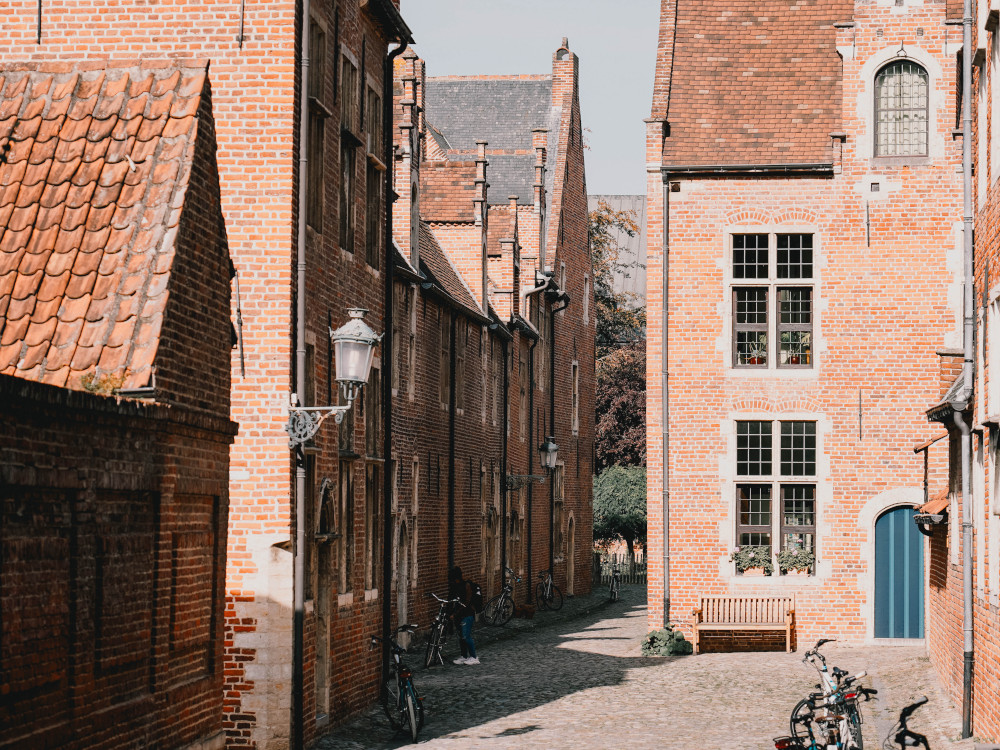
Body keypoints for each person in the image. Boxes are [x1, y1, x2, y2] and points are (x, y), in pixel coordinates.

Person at [447, 566, 479, 665]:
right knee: (461, 636)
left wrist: (455, 613)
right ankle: (464, 656)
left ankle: (474, 657)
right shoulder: (454, 587)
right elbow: (450, 599)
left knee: (466, 636)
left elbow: (467, 602)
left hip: (467, 614)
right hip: (458, 614)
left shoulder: (466, 586)